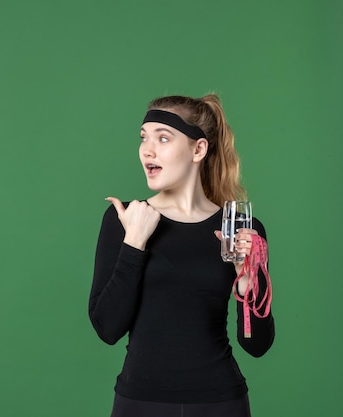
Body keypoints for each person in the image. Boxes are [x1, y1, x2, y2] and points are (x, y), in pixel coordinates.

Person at [89, 94, 275, 417]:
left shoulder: (240, 230)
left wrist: (247, 284)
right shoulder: (126, 220)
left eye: (163, 138)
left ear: (198, 149)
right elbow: (107, 328)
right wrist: (134, 242)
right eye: (144, 138)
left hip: (221, 402)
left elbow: (257, 345)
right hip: (140, 403)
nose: (148, 150)